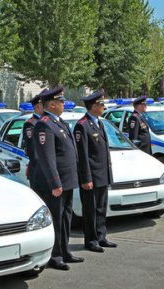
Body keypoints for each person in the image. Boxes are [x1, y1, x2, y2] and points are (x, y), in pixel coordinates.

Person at [32, 85, 83, 271]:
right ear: (52, 105)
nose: (63, 104)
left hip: (67, 181)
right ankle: (55, 255)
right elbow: (47, 157)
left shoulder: (60, 122)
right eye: (60, 101)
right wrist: (55, 182)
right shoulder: (44, 124)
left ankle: (65, 250)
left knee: (66, 218)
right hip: (56, 183)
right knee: (56, 219)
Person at [73, 89, 116, 253]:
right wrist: (86, 178)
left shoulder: (99, 123)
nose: (104, 106)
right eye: (101, 104)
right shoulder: (82, 126)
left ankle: (101, 236)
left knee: (101, 208)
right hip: (91, 176)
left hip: (102, 174)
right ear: (93, 106)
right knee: (90, 210)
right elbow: (82, 155)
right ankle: (91, 240)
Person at [22, 90, 46, 189]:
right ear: (37, 107)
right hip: (39, 172)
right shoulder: (31, 124)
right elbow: (34, 151)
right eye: (44, 104)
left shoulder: (47, 121)